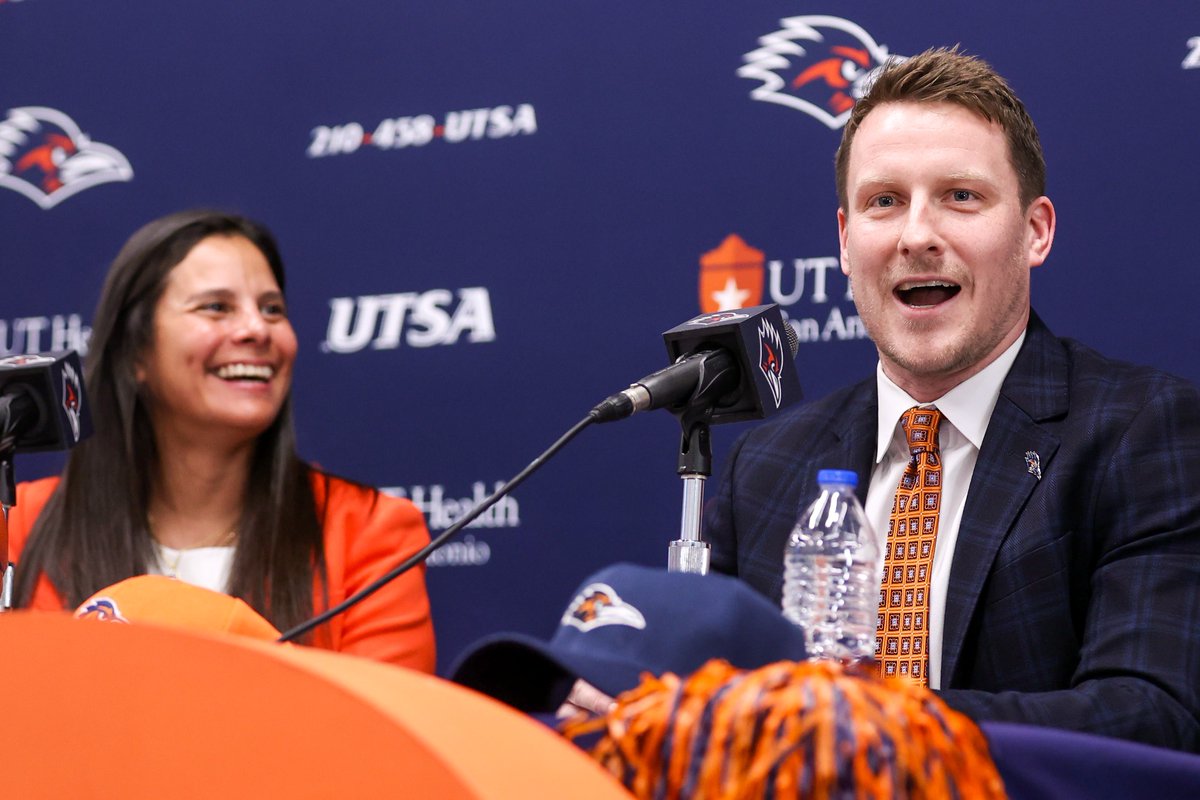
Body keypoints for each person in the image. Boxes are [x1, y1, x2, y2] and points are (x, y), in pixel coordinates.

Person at [704, 47, 1200, 752]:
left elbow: (1154, 718)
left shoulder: (1145, 433)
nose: (917, 237)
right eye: (884, 202)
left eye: (960, 197)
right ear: (845, 242)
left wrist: (871, 728)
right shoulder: (766, 465)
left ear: (1035, 231)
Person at [7, 209, 436, 672]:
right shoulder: (20, 523)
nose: (256, 329)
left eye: (273, 309)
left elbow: (380, 731)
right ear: (136, 354)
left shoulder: (371, 532)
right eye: (216, 307)